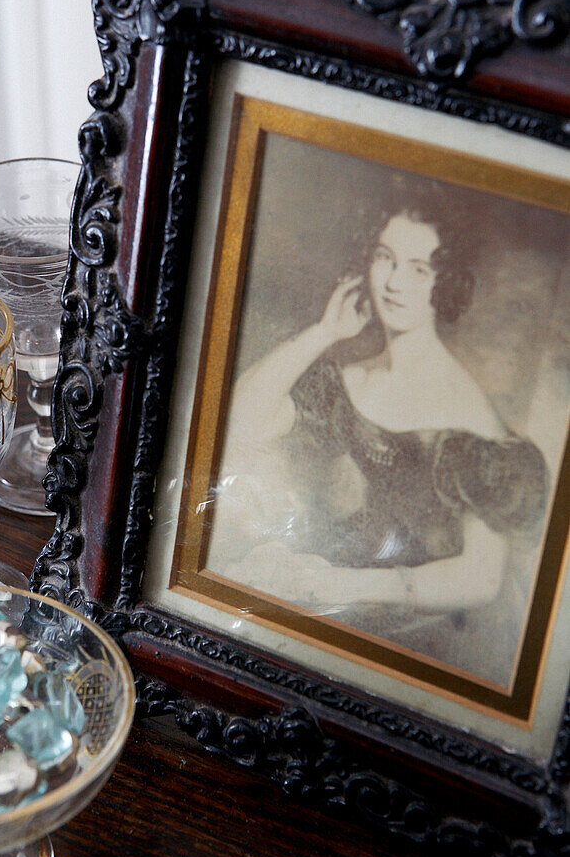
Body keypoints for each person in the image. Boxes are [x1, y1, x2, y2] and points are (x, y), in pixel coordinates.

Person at [213, 208, 549, 642]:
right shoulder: (348, 382)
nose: (392, 283)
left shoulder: (470, 421)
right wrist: (324, 333)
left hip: (417, 632)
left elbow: (481, 579)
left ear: (445, 282)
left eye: (418, 269)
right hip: (329, 596)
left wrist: (339, 585)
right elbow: (240, 423)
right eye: (385, 258)